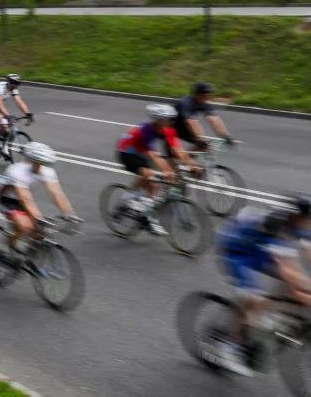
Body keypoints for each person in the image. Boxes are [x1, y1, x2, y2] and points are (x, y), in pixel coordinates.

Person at [214, 194, 311, 376]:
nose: (309, 223)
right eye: (307, 219)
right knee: (252, 301)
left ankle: (268, 312)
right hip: (235, 249)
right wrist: (304, 290)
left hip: (257, 248)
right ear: (297, 217)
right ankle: (227, 347)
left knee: (293, 285)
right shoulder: (277, 224)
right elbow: (286, 270)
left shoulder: (299, 223)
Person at [115, 104, 202, 236]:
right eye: (168, 121)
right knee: (147, 173)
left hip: (142, 152)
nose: (171, 124)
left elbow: (178, 150)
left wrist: (192, 165)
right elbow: (154, 154)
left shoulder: (169, 130)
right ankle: (129, 196)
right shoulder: (146, 130)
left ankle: (146, 218)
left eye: (172, 121)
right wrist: (167, 171)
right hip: (127, 152)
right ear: (158, 120)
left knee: (154, 189)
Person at [0, 142, 80, 264]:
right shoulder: (17, 171)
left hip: (22, 198)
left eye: (43, 163)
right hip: (6, 198)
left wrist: (70, 214)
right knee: (24, 226)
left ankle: (28, 255)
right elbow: (24, 198)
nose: (40, 166)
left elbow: (56, 193)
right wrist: (38, 217)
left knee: (40, 231)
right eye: (37, 162)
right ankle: (1, 250)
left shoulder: (47, 172)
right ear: (30, 160)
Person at [175, 82, 233, 151]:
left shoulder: (204, 102)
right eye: (203, 96)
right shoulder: (185, 102)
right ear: (196, 94)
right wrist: (201, 139)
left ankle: (185, 160)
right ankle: (175, 160)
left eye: (208, 96)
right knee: (174, 154)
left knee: (203, 147)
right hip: (170, 129)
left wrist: (226, 136)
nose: (206, 98)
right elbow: (191, 123)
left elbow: (214, 119)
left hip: (184, 127)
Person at [0, 74, 32, 140]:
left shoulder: (13, 89)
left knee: (5, 127)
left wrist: (28, 113)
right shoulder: (0, 88)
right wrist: (8, 116)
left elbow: (19, 102)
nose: (16, 87)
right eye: (15, 84)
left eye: (17, 84)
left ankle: (1, 142)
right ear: (10, 83)